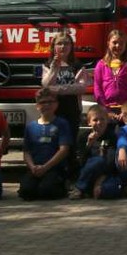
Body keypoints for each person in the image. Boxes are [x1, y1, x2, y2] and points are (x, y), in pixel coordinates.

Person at [41, 32, 86, 178]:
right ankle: (55, 173)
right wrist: (54, 69)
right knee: (55, 142)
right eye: (59, 43)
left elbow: (81, 87)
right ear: (53, 47)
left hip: (72, 109)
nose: (63, 46)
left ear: (71, 47)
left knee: (70, 143)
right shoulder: (48, 65)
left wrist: (58, 89)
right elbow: (46, 85)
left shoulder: (77, 65)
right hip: (53, 111)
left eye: (67, 43)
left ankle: (72, 175)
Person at [19, 88, 72, 201]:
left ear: (56, 104)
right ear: (37, 105)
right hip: (36, 167)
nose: (47, 105)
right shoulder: (31, 126)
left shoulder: (61, 124)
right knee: (26, 192)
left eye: (50, 102)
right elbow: (26, 152)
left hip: (54, 168)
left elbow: (64, 150)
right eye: (43, 102)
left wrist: (46, 167)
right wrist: (32, 167)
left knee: (47, 191)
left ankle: (63, 185)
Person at [70, 104, 118, 200]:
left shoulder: (112, 137)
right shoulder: (83, 137)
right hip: (88, 173)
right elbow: (80, 162)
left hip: (105, 174)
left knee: (111, 189)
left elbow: (111, 161)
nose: (99, 122)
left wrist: (100, 180)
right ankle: (80, 187)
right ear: (89, 122)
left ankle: (93, 189)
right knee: (97, 161)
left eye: (102, 119)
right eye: (95, 120)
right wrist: (88, 145)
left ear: (107, 120)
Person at [94, 29, 127, 121]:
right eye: (114, 42)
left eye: (121, 43)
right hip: (107, 109)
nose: (118, 46)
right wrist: (106, 110)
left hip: (125, 110)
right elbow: (97, 87)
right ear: (108, 43)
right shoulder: (101, 65)